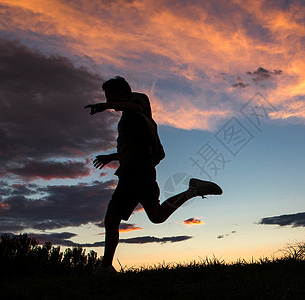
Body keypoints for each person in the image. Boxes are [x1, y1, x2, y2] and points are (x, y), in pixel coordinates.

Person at [85, 76, 222, 273]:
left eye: (110, 96)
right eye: (106, 97)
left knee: (112, 217)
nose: (108, 100)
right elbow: (135, 147)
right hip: (139, 170)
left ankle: (105, 267)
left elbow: (137, 108)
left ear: (123, 92)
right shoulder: (130, 118)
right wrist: (112, 156)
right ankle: (192, 191)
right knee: (156, 216)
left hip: (136, 172)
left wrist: (106, 106)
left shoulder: (137, 102)